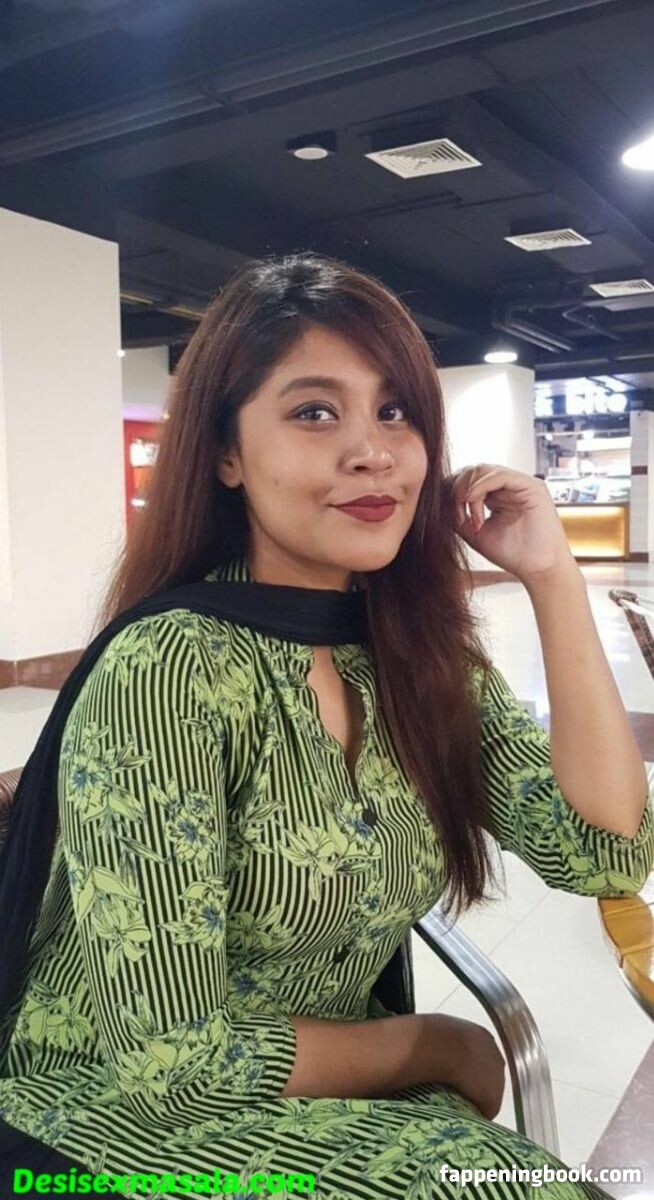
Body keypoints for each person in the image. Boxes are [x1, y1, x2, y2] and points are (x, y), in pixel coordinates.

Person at [1, 253, 652, 1200]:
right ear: (226, 454)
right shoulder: (172, 667)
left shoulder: (416, 656)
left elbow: (601, 852)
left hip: (322, 1085)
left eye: (396, 411)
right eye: (315, 412)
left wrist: (552, 577)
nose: (372, 451)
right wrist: (436, 1044)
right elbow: (171, 1059)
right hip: (106, 1117)